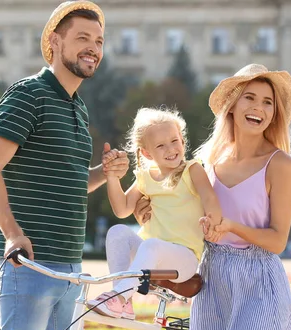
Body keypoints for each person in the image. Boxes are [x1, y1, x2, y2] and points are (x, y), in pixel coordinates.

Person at [0, 1, 129, 330]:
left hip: (70, 270)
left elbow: (75, 182)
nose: (93, 48)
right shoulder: (30, 95)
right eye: (82, 38)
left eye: (98, 41)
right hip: (31, 265)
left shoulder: (77, 107)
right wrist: (11, 233)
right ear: (55, 42)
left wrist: (106, 173)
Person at [135, 64, 291, 330]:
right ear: (233, 106)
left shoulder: (280, 164)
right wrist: (145, 210)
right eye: (249, 98)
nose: (259, 108)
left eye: (268, 102)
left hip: (257, 284)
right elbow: (177, 209)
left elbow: (278, 240)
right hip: (213, 279)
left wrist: (233, 227)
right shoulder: (208, 160)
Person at [87, 107, 222, 319]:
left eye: (174, 141)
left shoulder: (192, 169)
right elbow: (122, 209)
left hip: (184, 259)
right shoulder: (145, 177)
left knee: (152, 245)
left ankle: (119, 296)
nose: (171, 149)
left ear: (183, 142)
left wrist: (212, 221)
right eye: (161, 145)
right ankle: (124, 302)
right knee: (117, 232)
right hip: (152, 253)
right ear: (147, 153)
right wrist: (112, 177)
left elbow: (210, 197)